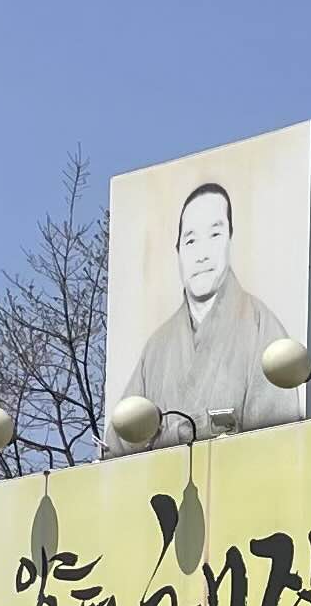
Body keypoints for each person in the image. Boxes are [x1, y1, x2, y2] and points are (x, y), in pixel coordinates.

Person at [109, 178, 299, 447]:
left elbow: (279, 435)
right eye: (190, 241)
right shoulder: (157, 346)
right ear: (178, 252)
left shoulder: (261, 326)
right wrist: (183, 432)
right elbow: (119, 442)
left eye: (214, 234)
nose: (202, 255)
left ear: (230, 239)